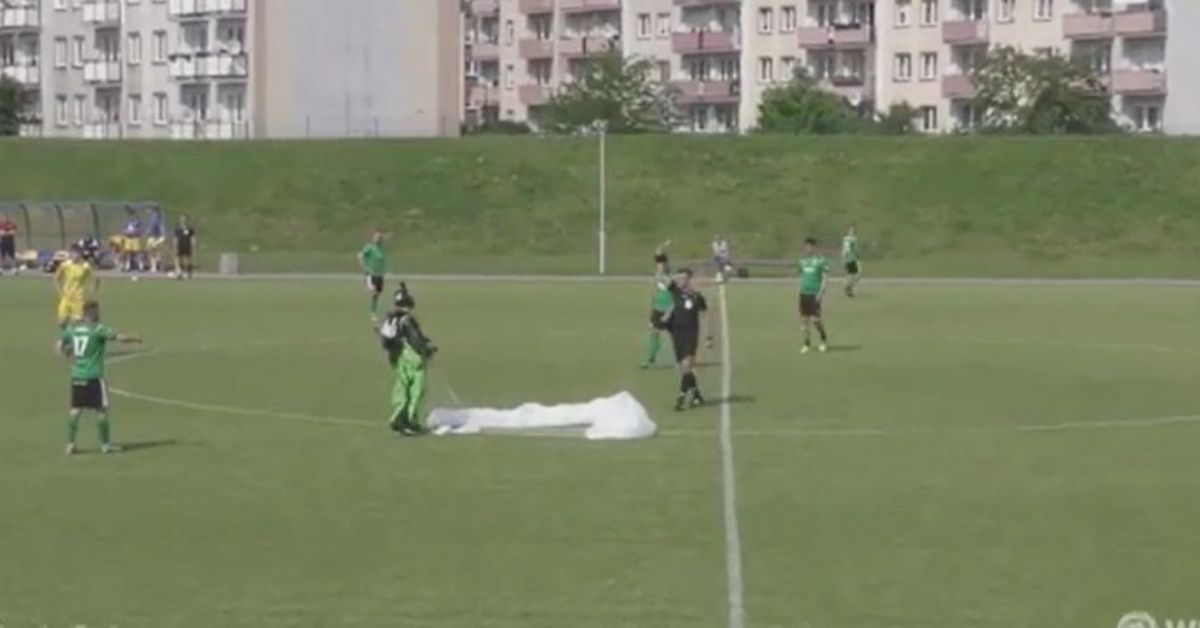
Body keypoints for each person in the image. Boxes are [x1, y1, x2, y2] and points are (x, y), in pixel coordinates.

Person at [57, 300, 142, 455]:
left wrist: (69, 354)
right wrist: (134, 338)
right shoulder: (98, 329)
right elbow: (118, 338)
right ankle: (105, 445)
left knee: (75, 410)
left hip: (77, 375)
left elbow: (59, 346)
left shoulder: (73, 329)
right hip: (94, 375)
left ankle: (70, 444)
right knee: (101, 410)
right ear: (94, 313)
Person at [377, 283, 437, 435]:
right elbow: (415, 339)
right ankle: (409, 420)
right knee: (416, 389)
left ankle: (398, 416)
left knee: (402, 387)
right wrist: (427, 350)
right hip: (413, 358)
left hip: (398, 358)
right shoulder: (407, 320)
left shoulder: (392, 319)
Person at [661, 268, 711, 411]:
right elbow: (662, 277)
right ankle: (696, 394)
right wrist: (662, 262)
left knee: (687, 365)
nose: (679, 280)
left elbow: (705, 316)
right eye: (678, 278)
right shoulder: (675, 291)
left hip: (691, 335)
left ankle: (682, 398)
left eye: (682, 278)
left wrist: (708, 337)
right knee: (684, 370)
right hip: (677, 335)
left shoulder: (697, 297)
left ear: (689, 279)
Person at [641, 241, 673, 369]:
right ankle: (650, 357)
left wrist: (662, 250)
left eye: (663, 264)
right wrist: (660, 247)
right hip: (658, 308)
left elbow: (670, 285)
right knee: (654, 333)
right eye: (659, 264)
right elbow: (655, 293)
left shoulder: (670, 275)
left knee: (674, 335)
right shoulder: (657, 274)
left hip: (670, 309)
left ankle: (682, 358)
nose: (661, 266)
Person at [798, 237, 830, 354]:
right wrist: (800, 290)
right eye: (806, 246)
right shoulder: (802, 261)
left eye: (810, 246)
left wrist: (821, 292)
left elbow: (825, 278)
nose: (807, 248)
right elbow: (801, 276)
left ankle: (823, 338)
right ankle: (806, 343)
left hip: (814, 294)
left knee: (816, 320)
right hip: (804, 294)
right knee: (804, 320)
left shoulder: (820, 261)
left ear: (814, 247)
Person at [55, 246, 99, 327]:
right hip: (66, 297)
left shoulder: (86, 266)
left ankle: (74, 338)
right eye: (71, 254)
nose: (72, 256)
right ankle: (65, 339)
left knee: (77, 324)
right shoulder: (65, 265)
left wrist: (91, 293)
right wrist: (59, 292)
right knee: (61, 323)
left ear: (80, 254)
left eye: (75, 254)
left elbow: (96, 279)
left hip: (79, 298)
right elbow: (57, 278)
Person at [358, 231, 388, 316]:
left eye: (379, 238)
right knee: (373, 290)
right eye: (376, 238)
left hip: (379, 275)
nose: (378, 239)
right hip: (372, 274)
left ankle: (373, 311)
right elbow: (360, 256)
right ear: (373, 239)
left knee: (378, 293)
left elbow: (380, 261)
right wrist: (365, 268)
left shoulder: (380, 249)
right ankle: (366, 285)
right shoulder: (369, 247)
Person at [173, 215, 197, 279]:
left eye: (184, 220)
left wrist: (193, 245)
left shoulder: (189, 229)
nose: (183, 221)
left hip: (187, 245)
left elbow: (192, 238)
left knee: (187, 259)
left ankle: (188, 272)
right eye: (181, 220)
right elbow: (175, 239)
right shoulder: (178, 229)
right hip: (180, 245)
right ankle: (179, 272)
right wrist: (175, 246)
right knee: (178, 258)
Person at [121, 207, 143, 273]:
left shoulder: (137, 221)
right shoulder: (126, 221)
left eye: (132, 213)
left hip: (135, 238)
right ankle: (128, 266)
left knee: (138, 252)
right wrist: (126, 232)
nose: (131, 215)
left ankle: (141, 266)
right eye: (130, 213)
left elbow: (140, 229)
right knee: (128, 253)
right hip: (128, 238)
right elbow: (123, 229)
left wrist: (136, 232)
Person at [842, 223, 862, 297]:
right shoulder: (851, 239)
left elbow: (844, 250)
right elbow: (850, 249)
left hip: (851, 258)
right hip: (852, 259)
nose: (852, 231)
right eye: (851, 230)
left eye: (853, 230)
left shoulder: (846, 238)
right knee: (855, 274)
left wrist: (843, 258)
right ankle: (848, 287)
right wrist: (859, 253)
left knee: (853, 275)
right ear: (848, 230)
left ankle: (849, 289)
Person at [145, 207, 167, 273]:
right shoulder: (152, 219)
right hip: (152, 237)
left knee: (157, 252)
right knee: (151, 252)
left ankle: (161, 266)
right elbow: (150, 228)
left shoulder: (158, 219)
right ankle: (154, 266)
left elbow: (161, 228)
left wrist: (162, 237)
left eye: (154, 212)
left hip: (157, 237)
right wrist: (148, 232)